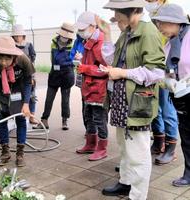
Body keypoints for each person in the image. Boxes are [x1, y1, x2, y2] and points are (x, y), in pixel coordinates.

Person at [100, 0, 166, 199]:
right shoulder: (128, 31)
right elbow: (112, 60)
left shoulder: (148, 32)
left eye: (117, 11)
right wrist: (106, 34)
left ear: (131, 11)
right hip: (122, 100)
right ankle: (126, 182)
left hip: (137, 102)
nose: (115, 15)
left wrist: (122, 72)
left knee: (138, 152)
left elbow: (156, 72)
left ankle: (137, 195)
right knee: (124, 146)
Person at [0, 37, 34, 167]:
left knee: (20, 120)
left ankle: (20, 152)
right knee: (2, 119)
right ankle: (5, 151)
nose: (4, 62)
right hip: (0, 93)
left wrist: (26, 103)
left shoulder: (23, 60)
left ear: (13, 56)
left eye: (7, 59)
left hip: (18, 92)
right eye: (0, 58)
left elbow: (28, 82)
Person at [151, 3, 190, 187]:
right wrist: (166, 81)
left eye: (161, 24)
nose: (159, 28)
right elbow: (164, 71)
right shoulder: (170, 43)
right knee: (187, 138)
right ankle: (189, 174)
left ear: (174, 22)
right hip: (181, 98)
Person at [145, 0, 179, 166]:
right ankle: (158, 142)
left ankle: (170, 149)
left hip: (166, 70)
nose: (148, 3)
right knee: (155, 109)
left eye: (150, 0)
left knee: (167, 110)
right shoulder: (151, 18)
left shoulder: (170, 15)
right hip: (153, 70)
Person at [74, 11, 110, 161]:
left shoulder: (101, 43)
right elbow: (93, 64)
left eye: (83, 29)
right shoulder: (88, 41)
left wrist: (84, 68)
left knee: (99, 119)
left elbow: (106, 69)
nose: (80, 32)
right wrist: (81, 60)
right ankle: (90, 144)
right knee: (88, 116)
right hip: (88, 88)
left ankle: (102, 149)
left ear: (93, 26)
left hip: (99, 89)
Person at [33, 22, 75, 130]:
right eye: (63, 35)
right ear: (60, 34)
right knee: (49, 98)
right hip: (54, 74)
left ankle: (65, 120)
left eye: (67, 36)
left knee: (65, 100)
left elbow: (74, 61)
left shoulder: (73, 46)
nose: (65, 38)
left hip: (67, 74)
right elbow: (52, 59)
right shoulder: (53, 43)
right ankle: (44, 120)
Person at [11, 24, 38, 125]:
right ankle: (16, 115)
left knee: (32, 96)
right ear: (13, 37)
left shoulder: (28, 45)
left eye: (20, 35)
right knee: (16, 96)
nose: (18, 37)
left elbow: (32, 60)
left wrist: (32, 77)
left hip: (28, 74)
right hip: (16, 76)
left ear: (23, 35)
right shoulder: (11, 46)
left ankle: (31, 116)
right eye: (16, 36)